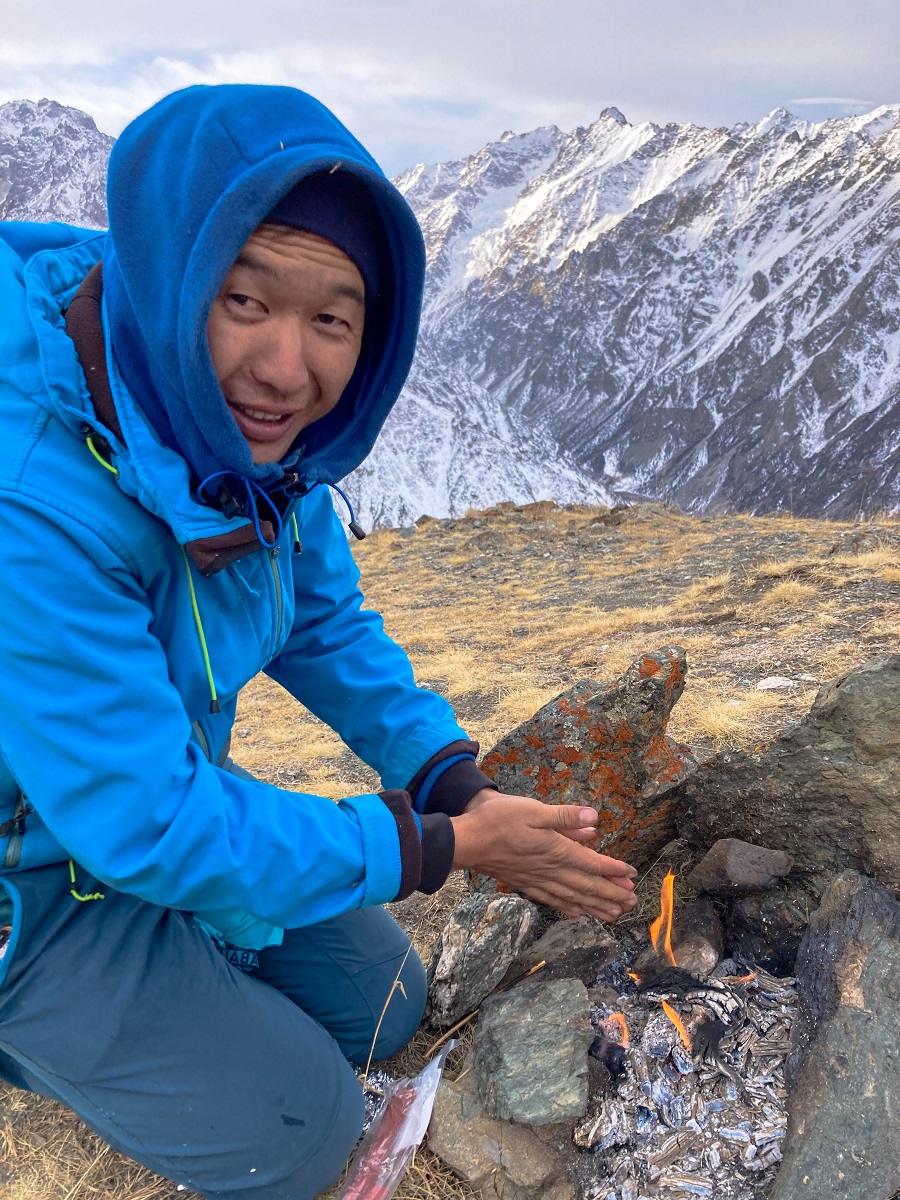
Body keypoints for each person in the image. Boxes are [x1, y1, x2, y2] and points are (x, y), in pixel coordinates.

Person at [0, 84, 637, 1199]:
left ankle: (177, 972)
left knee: (388, 1005)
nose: (288, 369)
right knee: (300, 1130)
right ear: (175, 282)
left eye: (332, 319)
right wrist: (434, 849)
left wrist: (451, 782)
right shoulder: (33, 497)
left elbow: (324, 621)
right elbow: (147, 820)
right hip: (28, 881)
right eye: (245, 301)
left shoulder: (239, 436)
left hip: (145, 794)